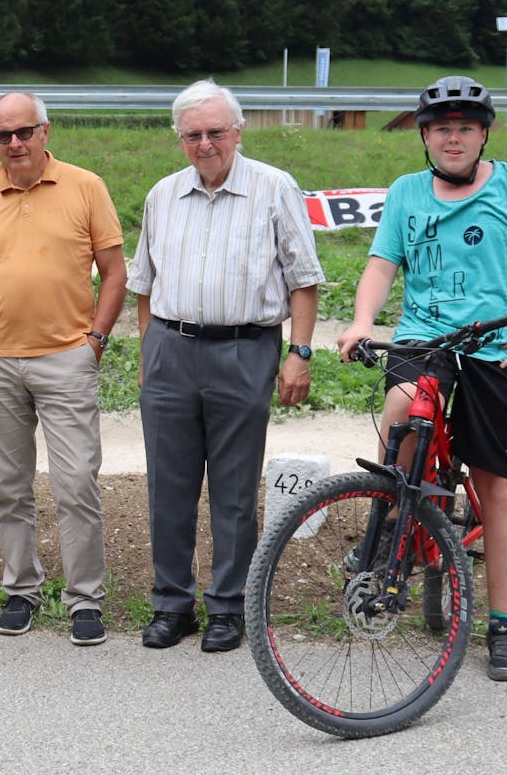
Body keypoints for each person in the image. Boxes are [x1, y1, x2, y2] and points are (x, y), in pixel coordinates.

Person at [337, 75, 507, 682]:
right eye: (442, 129)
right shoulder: (406, 193)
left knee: (499, 485)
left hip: (499, 351)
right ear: (425, 136)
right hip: (425, 342)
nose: (453, 139)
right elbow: (381, 265)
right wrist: (362, 321)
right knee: (403, 406)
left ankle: (503, 625)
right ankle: (392, 526)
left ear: (484, 134)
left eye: (466, 128)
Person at [129, 80, 324, 653]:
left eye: (216, 132)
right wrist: (149, 352)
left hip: (245, 349)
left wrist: (299, 353)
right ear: (180, 139)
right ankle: (171, 604)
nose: (205, 144)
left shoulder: (274, 188)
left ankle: (228, 606)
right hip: (171, 348)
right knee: (169, 485)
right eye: (193, 135)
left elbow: (304, 279)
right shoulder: (162, 195)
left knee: (235, 490)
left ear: (237, 132)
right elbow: (144, 282)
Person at [0, 91, 126, 646]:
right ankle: (22, 590)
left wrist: (93, 340)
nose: (15, 143)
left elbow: (115, 272)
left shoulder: (85, 186)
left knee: (75, 483)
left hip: (65, 359)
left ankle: (84, 599)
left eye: (25, 131)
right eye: (4, 135)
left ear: (46, 131)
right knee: (9, 487)